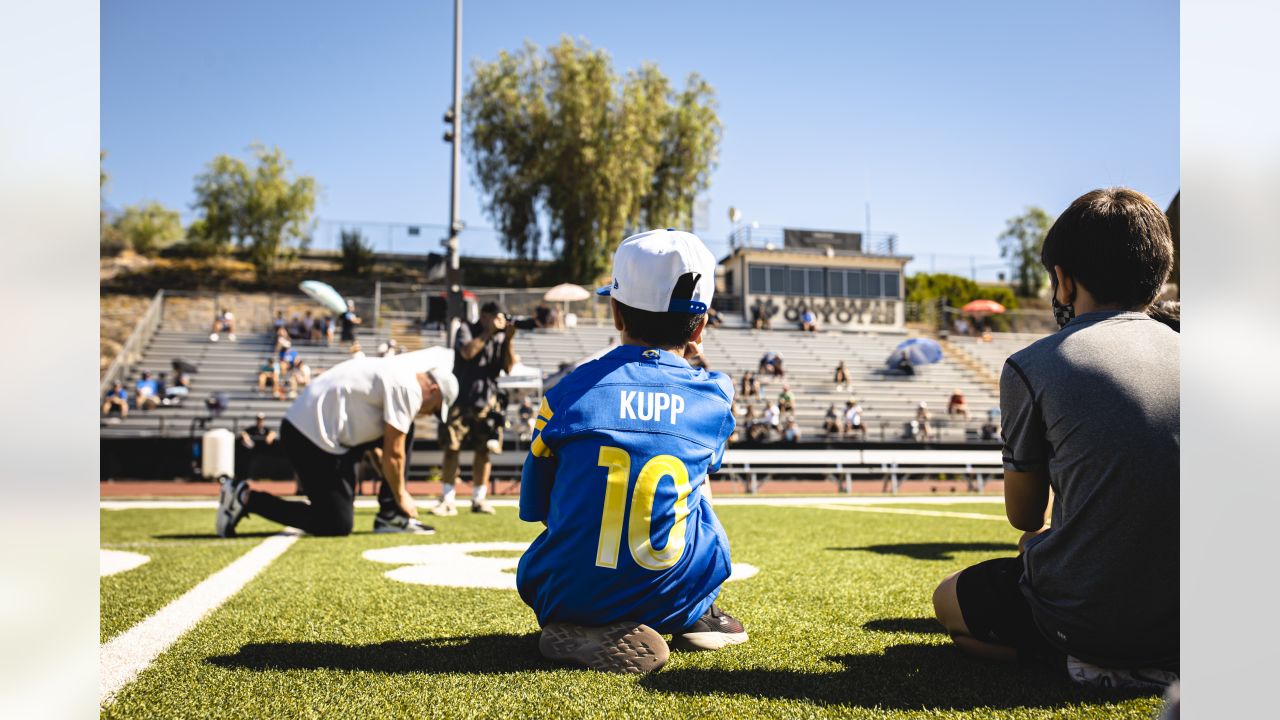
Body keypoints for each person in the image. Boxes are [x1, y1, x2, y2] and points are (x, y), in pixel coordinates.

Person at [932, 187, 1180, 689]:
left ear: (1063, 280)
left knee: (950, 600)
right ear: (1159, 278)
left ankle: (1085, 660)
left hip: (1088, 622)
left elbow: (1025, 516)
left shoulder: (1035, 363)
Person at [516, 229, 746, 674]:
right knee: (695, 483)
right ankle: (694, 610)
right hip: (671, 593)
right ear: (700, 326)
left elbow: (538, 506)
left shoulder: (568, 394)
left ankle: (587, 619)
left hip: (566, 595)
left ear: (616, 312)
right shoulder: (714, 397)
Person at [216, 349, 459, 538]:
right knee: (335, 523)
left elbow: (379, 443)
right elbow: (394, 454)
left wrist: (385, 470)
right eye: (436, 408)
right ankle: (246, 498)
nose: (430, 414)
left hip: (321, 432)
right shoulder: (409, 388)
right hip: (311, 437)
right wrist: (401, 495)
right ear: (433, 389)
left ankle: (390, 516)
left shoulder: (397, 372)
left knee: (407, 428)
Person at [432, 301, 516, 517]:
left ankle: (479, 498)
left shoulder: (499, 337)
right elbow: (467, 353)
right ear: (486, 316)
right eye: (496, 317)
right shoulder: (467, 329)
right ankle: (447, 498)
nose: (499, 322)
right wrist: (488, 333)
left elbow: (508, 367)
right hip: (459, 400)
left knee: (484, 451)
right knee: (452, 449)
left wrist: (508, 339)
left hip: (487, 403)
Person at [238, 413, 279, 479]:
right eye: (258, 419)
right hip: (252, 453)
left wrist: (271, 436)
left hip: (264, 453)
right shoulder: (252, 429)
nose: (260, 421)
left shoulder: (266, 429)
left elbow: (273, 433)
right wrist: (246, 437)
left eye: (261, 420)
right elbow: (244, 432)